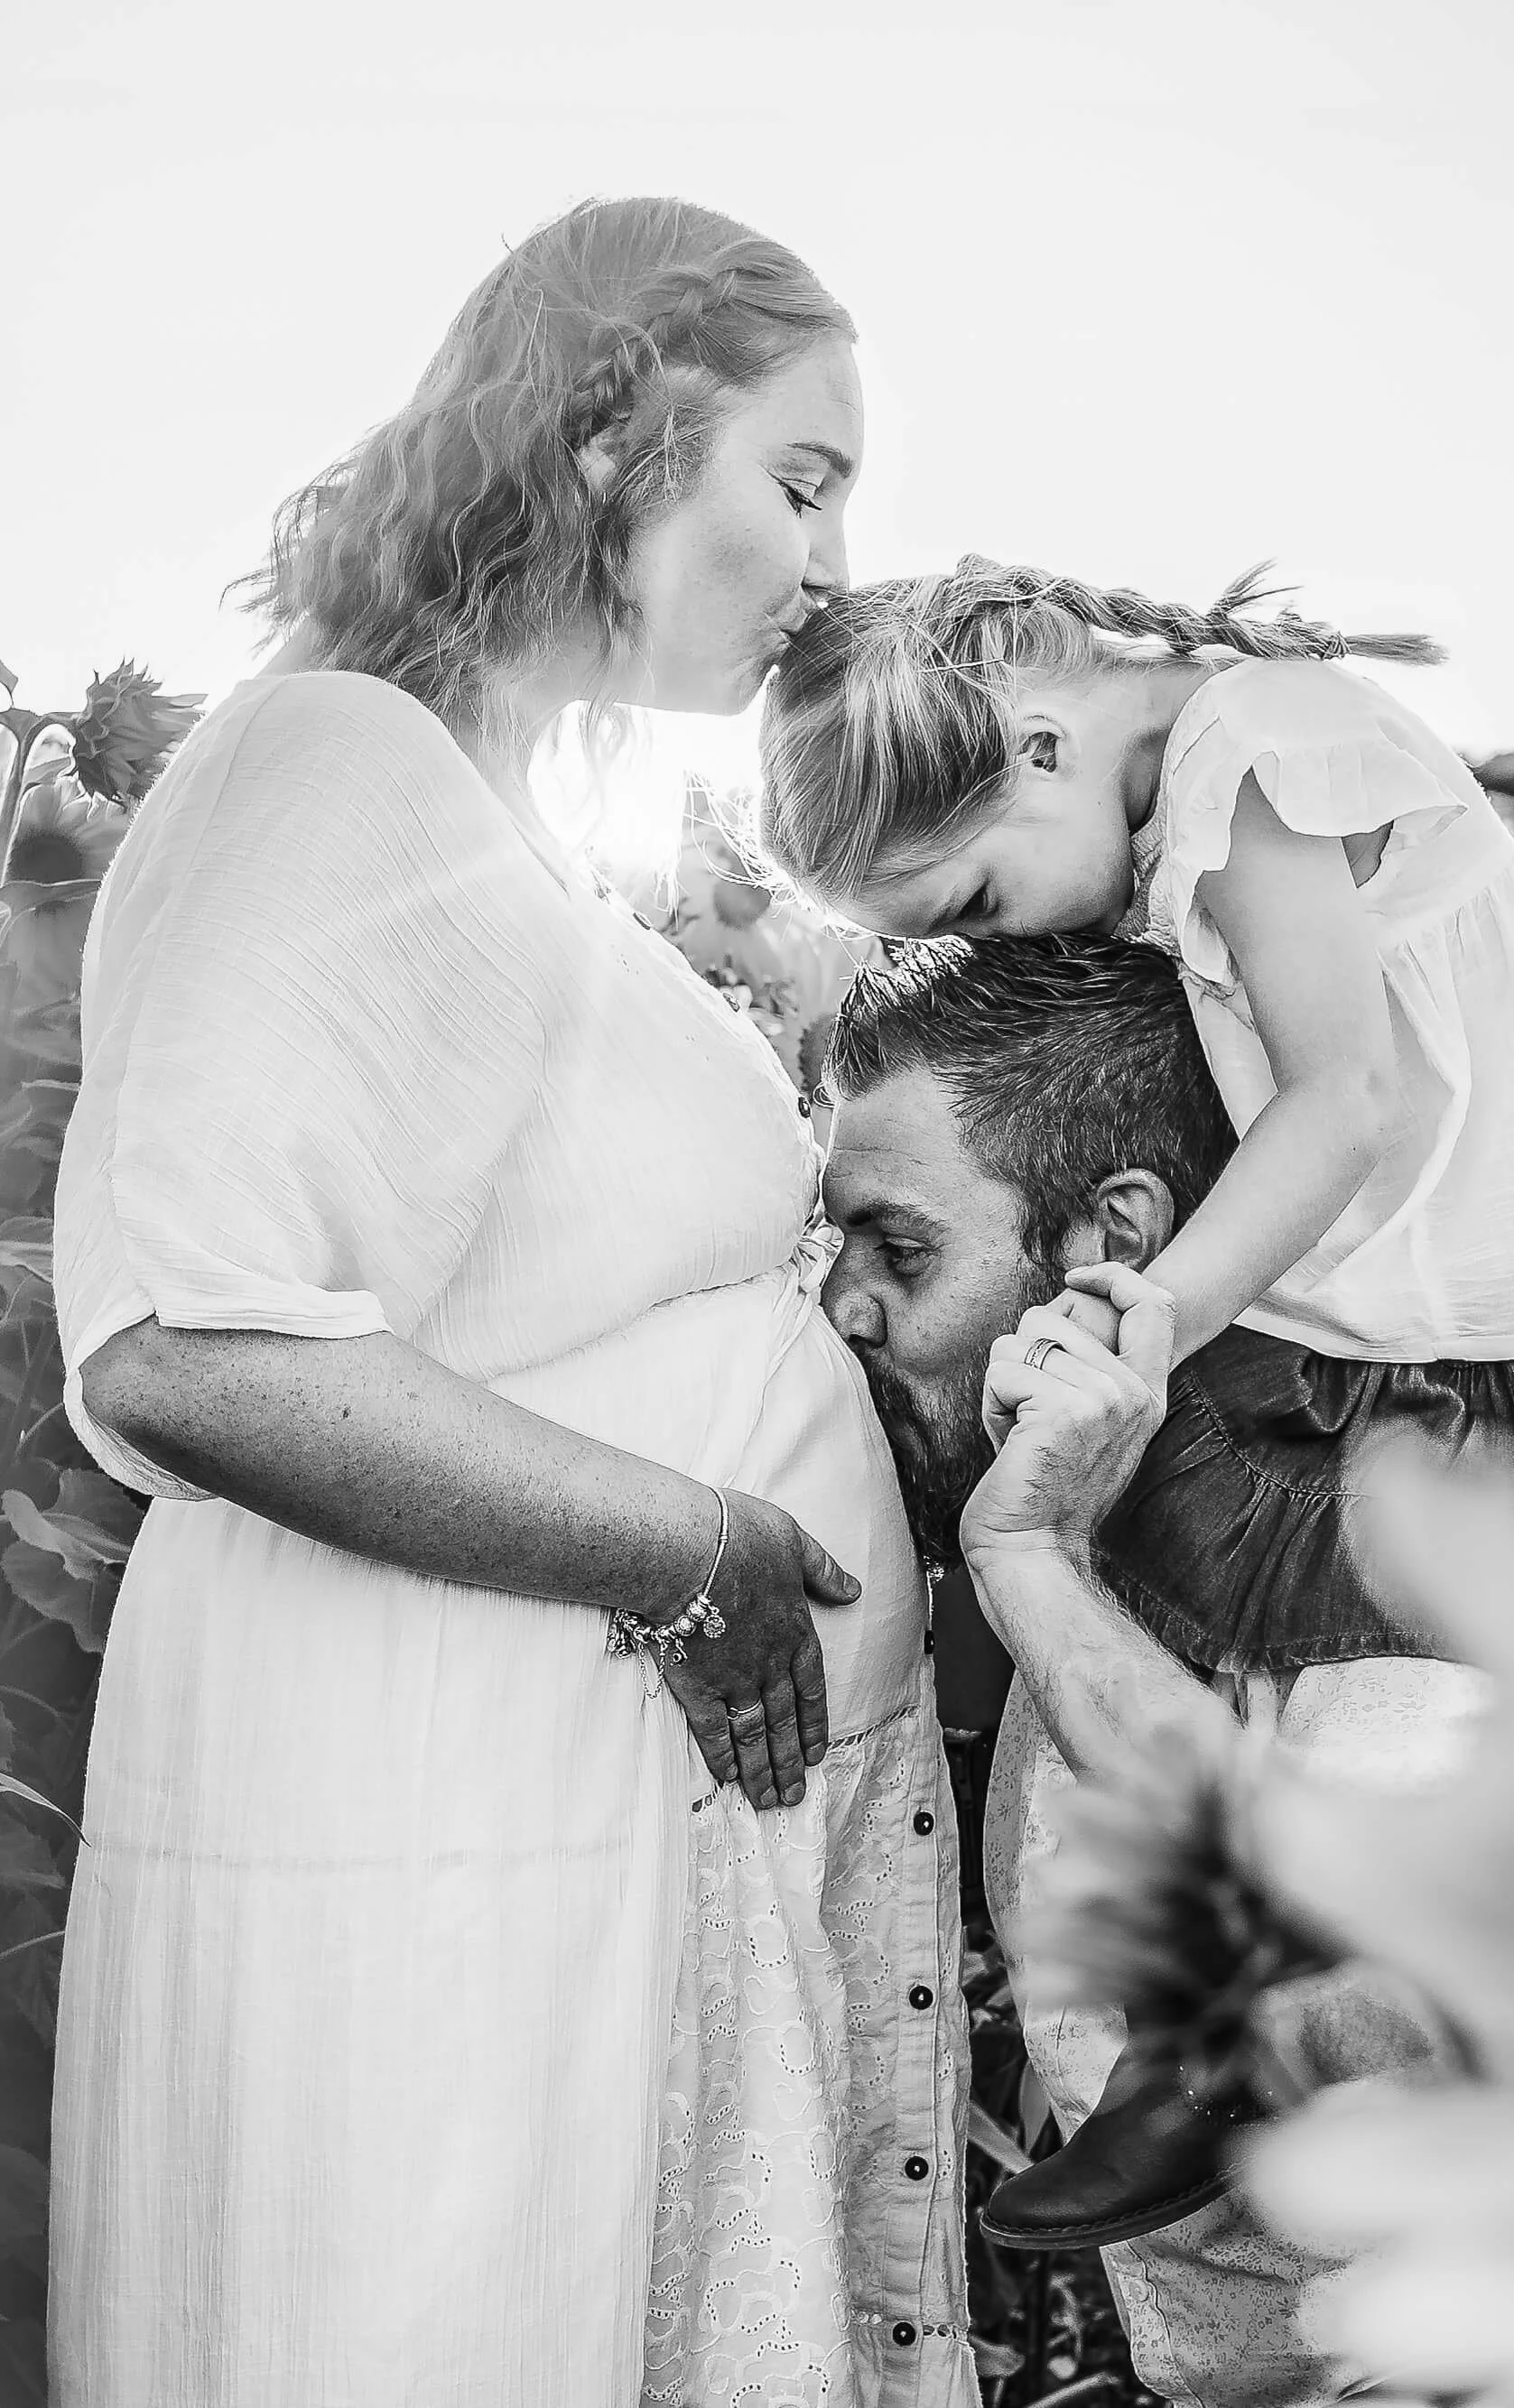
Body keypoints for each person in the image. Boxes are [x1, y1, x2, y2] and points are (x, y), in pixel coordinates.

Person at [50, 198, 971, 2407]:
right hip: (445, 1822)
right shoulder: (334, 763)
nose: (832, 566)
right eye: (802, 478)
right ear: (604, 435)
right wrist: (685, 1540)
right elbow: (181, 1336)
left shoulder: (465, 807)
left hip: (543, 1813)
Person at [817, 932, 1514, 2408]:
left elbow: (1361, 1938)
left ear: (1116, 1238)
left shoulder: (1386, 1512)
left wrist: (1026, 1567)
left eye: (900, 1247)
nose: (842, 1309)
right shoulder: (1131, 1463)